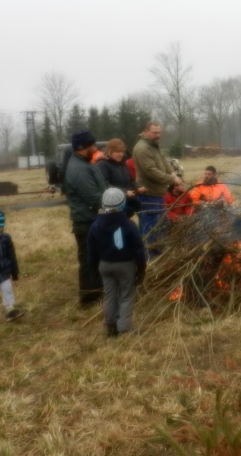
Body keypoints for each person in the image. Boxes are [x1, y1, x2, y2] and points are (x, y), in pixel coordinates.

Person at [88, 188, 147, 337]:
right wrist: (141, 267)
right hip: (125, 265)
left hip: (105, 265)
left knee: (109, 295)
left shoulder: (95, 225)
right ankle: (124, 328)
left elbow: (91, 250)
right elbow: (138, 248)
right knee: (126, 294)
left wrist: (93, 269)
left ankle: (110, 325)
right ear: (122, 203)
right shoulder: (128, 224)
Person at [65, 129, 108, 306]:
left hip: (93, 220)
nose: (96, 148)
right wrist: (115, 205)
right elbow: (94, 198)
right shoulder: (79, 170)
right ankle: (88, 298)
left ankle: (98, 290)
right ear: (83, 147)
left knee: (96, 257)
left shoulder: (85, 164)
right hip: (86, 222)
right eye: (93, 145)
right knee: (88, 259)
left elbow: (102, 188)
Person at [132, 121, 177, 247]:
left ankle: (160, 251)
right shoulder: (142, 148)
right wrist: (171, 180)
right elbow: (151, 171)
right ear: (146, 132)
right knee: (151, 229)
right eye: (155, 132)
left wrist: (172, 173)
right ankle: (150, 255)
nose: (158, 135)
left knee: (162, 225)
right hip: (148, 195)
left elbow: (164, 160)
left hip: (158, 194)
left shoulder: (154, 145)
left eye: (159, 132)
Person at [96, 138, 146, 217]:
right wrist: (125, 192)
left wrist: (138, 187)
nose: (121, 154)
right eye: (118, 152)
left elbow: (130, 179)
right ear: (110, 151)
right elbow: (105, 185)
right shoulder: (102, 165)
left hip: (126, 202)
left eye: (122, 152)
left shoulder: (122, 164)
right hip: (113, 206)